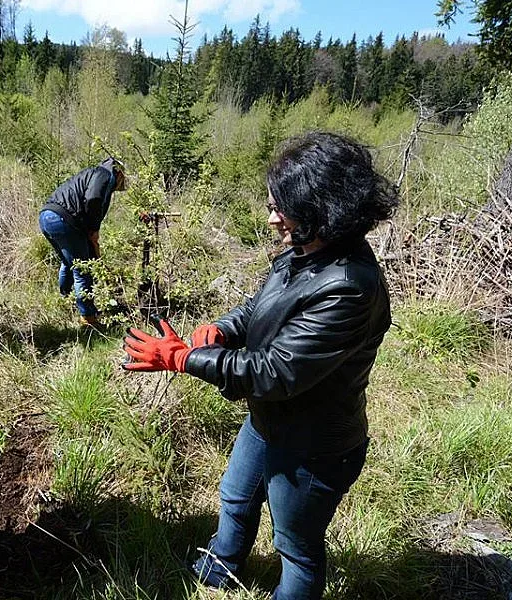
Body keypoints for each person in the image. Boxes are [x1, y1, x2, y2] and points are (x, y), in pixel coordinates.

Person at [122, 132, 399, 598]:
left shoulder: (349, 285)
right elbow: (260, 308)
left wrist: (184, 357)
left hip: (314, 444)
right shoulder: (305, 251)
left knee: (296, 546)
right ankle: (218, 570)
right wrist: (223, 329)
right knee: (235, 497)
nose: (272, 218)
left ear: (322, 210)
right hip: (269, 420)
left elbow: (275, 372)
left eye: (281, 208)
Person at [38, 157, 127, 326]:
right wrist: (93, 229)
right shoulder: (105, 175)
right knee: (82, 269)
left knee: (69, 262)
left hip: (46, 217)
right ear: (119, 172)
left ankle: (66, 299)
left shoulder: (91, 173)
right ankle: (88, 318)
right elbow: (93, 200)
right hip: (64, 219)